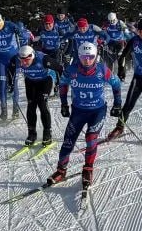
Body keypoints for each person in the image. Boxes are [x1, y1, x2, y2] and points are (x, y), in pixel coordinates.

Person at [47, 41, 122, 190]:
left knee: (91, 137)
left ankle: (88, 169)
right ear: (79, 56)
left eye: (90, 57)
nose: (87, 60)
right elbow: (63, 85)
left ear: (95, 57)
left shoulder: (102, 70)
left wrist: (117, 104)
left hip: (97, 111)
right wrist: (63, 104)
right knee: (68, 140)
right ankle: (61, 170)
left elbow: (116, 84)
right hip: (78, 111)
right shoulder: (71, 70)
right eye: (83, 57)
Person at [107, 18, 142, 146]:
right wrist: (121, 69)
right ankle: (119, 127)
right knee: (128, 104)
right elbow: (123, 56)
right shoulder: (134, 41)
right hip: (139, 77)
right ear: (138, 31)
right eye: (141, 32)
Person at [11, 44, 58, 146]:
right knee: (31, 105)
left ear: (32, 56)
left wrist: (59, 83)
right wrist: (10, 83)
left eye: (26, 60)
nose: (24, 63)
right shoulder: (17, 59)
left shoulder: (43, 59)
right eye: (22, 60)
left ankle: (47, 133)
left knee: (42, 103)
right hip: (31, 81)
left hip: (46, 80)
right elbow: (10, 68)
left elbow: (59, 67)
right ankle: (32, 134)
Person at [102, 13, 130, 81]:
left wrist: (125, 31)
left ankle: (121, 76)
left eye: (113, 20)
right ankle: (109, 76)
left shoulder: (120, 23)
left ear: (115, 18)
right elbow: (102, 32)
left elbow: (127, 31)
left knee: (121, 59)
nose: (111, 22)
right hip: (110, 43)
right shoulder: (106, 24)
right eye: (110, 20)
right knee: (110, 60)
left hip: (120, 42)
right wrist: (103, 39)